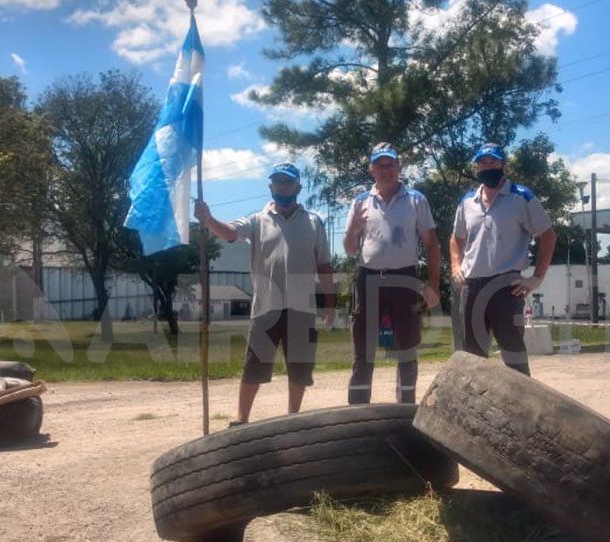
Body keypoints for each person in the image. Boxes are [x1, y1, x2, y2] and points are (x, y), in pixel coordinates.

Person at [194, 162, 334, 424]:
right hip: (265, 308)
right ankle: (241, 418)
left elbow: (324, 264)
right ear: (271, 187)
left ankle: (293, 418)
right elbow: (230, 233)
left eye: (288, 182)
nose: (283, 186)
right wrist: (209, 220)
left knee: (299, 369)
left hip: (302, 309)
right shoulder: (256, 220)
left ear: (298, 187)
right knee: (254, 367)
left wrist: (329, 302)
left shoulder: (314, 222)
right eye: (278, 182)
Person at [342, 142, 441, 404]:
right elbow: (350, 250)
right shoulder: (361, 202)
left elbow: (431, 245)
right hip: (368, 280)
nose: (385, 170)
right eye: (379, 165)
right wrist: (353, 229)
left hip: (405, 279)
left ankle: (405, 411)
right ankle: (357, 413)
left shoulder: (416, 200)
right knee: (363, 352)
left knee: (407, 350)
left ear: (399, 167)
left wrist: (433, 285)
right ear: (371, 169)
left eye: (390, 164)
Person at [450, 143, 556, 376]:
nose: (487, 167)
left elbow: (548, 236)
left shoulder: (521, 197)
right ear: (477, 166)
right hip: (472, 287)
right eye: (483, 162)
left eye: (493, 162)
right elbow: (456, 238)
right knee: (472, 356)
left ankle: (522, 409)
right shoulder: (467, 201)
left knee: (513, 353)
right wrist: (456, 266)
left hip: (507, 287)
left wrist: (536, 278)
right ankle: (472, 407)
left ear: (503, 166)